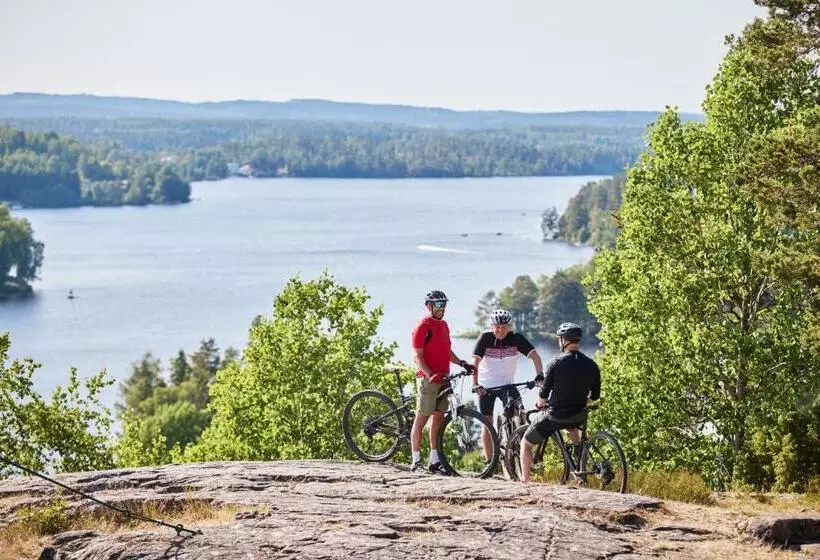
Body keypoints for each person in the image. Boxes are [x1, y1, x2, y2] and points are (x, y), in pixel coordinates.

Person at [520, 321, 600, 483]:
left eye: (559, 339)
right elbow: (595, 395)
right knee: (572, 427)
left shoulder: (556, 362)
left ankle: (524, 481)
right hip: (578, 415)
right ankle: (579, 461)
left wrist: (539, 404)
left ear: (564, 340)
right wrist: (582, 401)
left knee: (525, 443)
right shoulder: (591, 364)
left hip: (555, 416)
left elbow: (544, 393)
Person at [410, 290, 475, 473]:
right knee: (421, 419)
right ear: (429, 306)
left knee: (438, 420)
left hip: (444, 378)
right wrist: (430, 374)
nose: (442, 308)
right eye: (438, 304)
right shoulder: (423, 326)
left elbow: (446, 351)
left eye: (444, 304)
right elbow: (417, 357)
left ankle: (434, 461)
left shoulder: (444, 325)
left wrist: (462, 363)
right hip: (428, 379)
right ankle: (415, 462)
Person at [471, 309, 543, 462]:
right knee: (487, 423)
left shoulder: (516, 339)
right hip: (486, 387)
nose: (500, 330)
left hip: (507, 386)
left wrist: (539, 375)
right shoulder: (485, 338)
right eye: (497, 326)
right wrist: (475, 384)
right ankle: (490, 462)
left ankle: (517, 445)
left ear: (509, 327)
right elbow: (475, 362)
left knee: (519, 412)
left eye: (504, 327)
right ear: (492, 326)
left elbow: (536, 357)